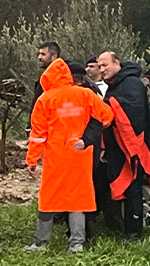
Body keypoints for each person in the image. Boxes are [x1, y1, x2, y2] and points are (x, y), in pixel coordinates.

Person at [24, 59, 113, 254]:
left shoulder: (45, 99)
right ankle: (77, 244)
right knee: (78, 199)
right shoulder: (86, 95)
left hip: (56, 157)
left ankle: (40, 244)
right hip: (80, 155)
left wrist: (32, 160)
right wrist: (88, 137)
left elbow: (38, 135)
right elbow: (106, 117)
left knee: (48, 199)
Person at [96, 51, 150, 241]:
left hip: (134, 148)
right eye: (99, 66)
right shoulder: (114, 85)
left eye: (105, 65)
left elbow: (134, 112)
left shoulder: (132, 83)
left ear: (116, 63)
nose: (102, 69)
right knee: (124, 188)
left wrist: (108, 104)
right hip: (118, 148)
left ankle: (134, 234)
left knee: (134, 189)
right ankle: (123, 230)